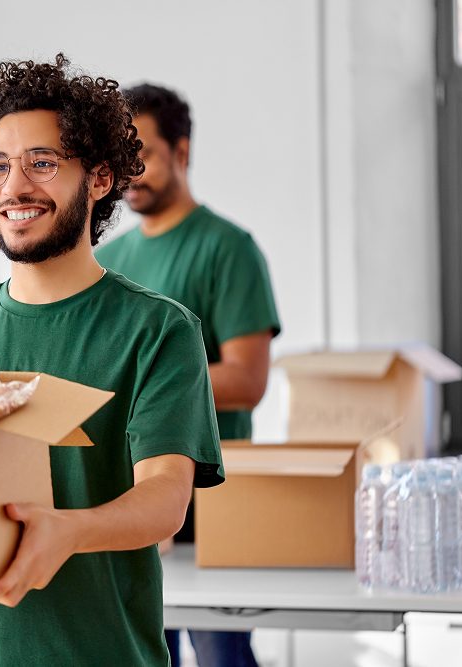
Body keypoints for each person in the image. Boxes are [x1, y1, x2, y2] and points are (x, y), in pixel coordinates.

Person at [0, 54, 224, 667]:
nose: (14, 187)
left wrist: (70, 531)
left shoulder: (156, 331)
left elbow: (165, 498)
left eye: (41, 164)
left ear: (100, 179)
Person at [96, 84, 281, 667]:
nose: (133, 171)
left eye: (145, 152)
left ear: (183, 150)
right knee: (150, 650)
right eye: (122, 155)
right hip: (130, 491)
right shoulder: (109, 259)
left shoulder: (229, 249)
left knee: (221, 653)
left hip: (211, 498)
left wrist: (145, 388)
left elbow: (248, 380)